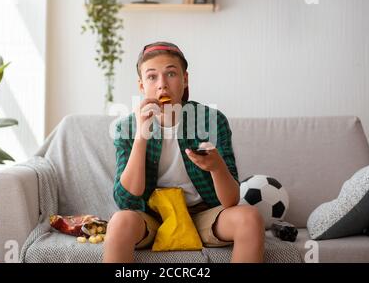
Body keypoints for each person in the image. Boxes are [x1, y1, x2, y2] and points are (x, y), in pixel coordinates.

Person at [103, 41, 264, 263]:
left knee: (250, 218)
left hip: (202, 214)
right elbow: (126, 200)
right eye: (152, 77)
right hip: (152, 217)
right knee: (120, 222)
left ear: (185, 79)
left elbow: (230, 201)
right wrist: (141, 136)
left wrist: (216, 168)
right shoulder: (126, 128)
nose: (162, 85)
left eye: (171, 74)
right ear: (141, 86)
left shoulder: (212, 121)